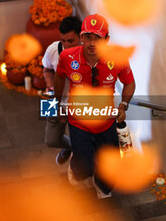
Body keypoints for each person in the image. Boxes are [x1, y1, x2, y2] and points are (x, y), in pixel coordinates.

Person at [54, 14, 135, 199]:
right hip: (78, 121)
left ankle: (102, 185)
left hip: (106, 121)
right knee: (84, 168)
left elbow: (129, 82)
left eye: (97, 38)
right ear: (81, 37)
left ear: (107, 39)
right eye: (87, 36)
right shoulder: (67, 56)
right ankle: (77, 166)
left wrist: (123, 105)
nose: (91, 43)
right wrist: (56, 105)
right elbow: (58, 77)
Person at [42, 16, 82, 164]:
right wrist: (50, 87)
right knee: (50, 140)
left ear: (81, 37)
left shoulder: (89, 55)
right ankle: (69, 146)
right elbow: (46, 69)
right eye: (63, 40)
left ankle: (78, 151)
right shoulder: (53, 49)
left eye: (70, 41)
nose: (65, 46)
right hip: (55, 98)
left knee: (82, 139)